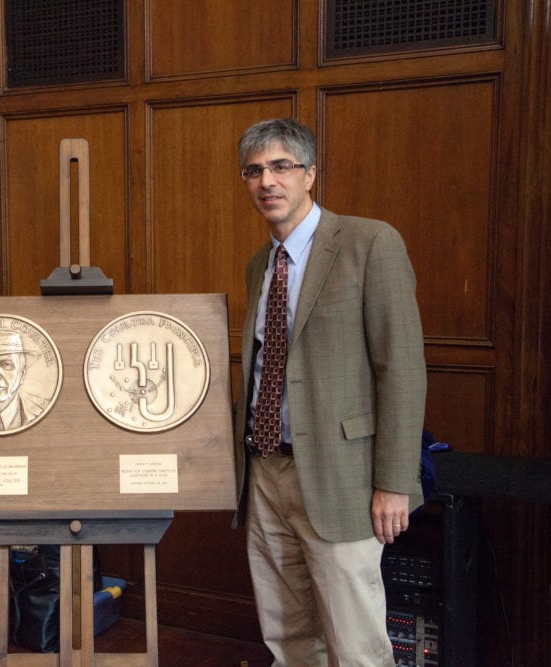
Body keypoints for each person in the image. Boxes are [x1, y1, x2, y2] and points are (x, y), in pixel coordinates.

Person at [232, 118, 426, 666]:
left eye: (280, 167)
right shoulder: (259, 266)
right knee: (289, 637)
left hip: (344, 477)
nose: (267, 181)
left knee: (355, 644)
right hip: (267, 471)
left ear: (310, 174)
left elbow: (402, 368)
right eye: (253, 171)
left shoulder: (369, 243)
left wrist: (393, 482)